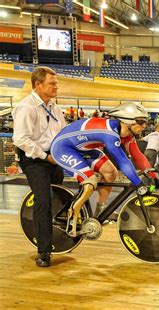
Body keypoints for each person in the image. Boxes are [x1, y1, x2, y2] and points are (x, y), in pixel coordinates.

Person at [50, 102, 159, 236]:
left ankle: (100, 209)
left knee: (110, 172)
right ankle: (71, 219)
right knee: (90, 181)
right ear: (128, 122)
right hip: (63, 148)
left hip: (82, 149)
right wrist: (138, 184)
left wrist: (154, 178)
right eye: (141, 122)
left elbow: (138, 157)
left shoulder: (127, 134)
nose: (144, 126)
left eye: (146, 122)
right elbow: (123, 162)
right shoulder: (109, 133)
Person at [12, 66, 67, 267]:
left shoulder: (54, 107)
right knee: (43, 200)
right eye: (52, 83)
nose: (56, 87)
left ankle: (57, 238)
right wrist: (45, 156)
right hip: (34, 160)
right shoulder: (27, 107)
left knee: (58, 199)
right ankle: (43, 251)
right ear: (38, 85)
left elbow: (62, 133)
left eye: (56, 83)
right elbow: (20, 139)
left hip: (53, 158)